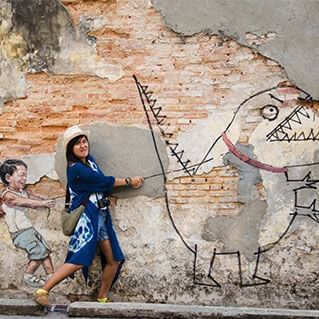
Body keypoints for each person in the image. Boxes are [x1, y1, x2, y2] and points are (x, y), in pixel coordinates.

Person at [34, 125, 144, 306]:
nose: (83, 146)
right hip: (88, 219)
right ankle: (42, 290)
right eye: (77, 144)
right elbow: (102, 181)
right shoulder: (76, 168)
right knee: (79, 259)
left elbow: (99, 184)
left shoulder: (89, 161)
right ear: (71, 149)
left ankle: (102, 298)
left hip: (100, 217)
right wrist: (129, 181)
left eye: (84, 141)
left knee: (114, 259)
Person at [0, 159, 55, 287]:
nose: (25, 178)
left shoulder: (23, 192)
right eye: (21, 175)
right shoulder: (8, 195)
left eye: (25, 175)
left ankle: (51, 276)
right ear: (8, 177)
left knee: (45, 251)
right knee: (38, 252)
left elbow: (33, 199)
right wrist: (42, 203)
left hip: (29, 230)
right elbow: (24, 202)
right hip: (20, 233)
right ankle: (28, 276)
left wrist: (48, 202)